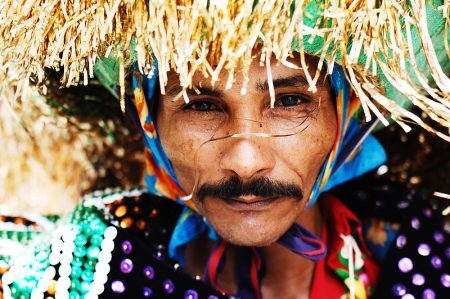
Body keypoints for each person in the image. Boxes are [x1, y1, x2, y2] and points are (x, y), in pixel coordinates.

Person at [0, 1, 449, 298]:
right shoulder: (92, 264)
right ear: (150, 121)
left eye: (290, 101)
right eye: (201, 105)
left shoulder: (423, 249)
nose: (246, 159)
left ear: (345, 115)